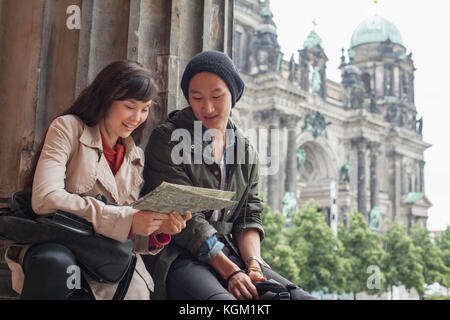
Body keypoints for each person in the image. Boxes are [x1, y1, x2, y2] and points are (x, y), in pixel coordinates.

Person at [4, 60, 191, 300]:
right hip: (60, 245)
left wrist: (155, 229)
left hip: (106, 263)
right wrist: (128, 219)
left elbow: (125, 228)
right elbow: (45, 199)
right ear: (106, 98)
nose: (137, 117)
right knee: (54, 263)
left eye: (145, 109)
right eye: (129, 106)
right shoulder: (67, 129)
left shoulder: (135, 156)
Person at [141, 50, 315, 300]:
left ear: (233, 94)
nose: (207, 107)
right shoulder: (167, 139)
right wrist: (232, 272)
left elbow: (249, 214)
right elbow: (186, 219)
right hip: (178, 255)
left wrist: (254, 265)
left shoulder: (245, 149)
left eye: (217, 96)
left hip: (230, 252)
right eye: (196, 97)